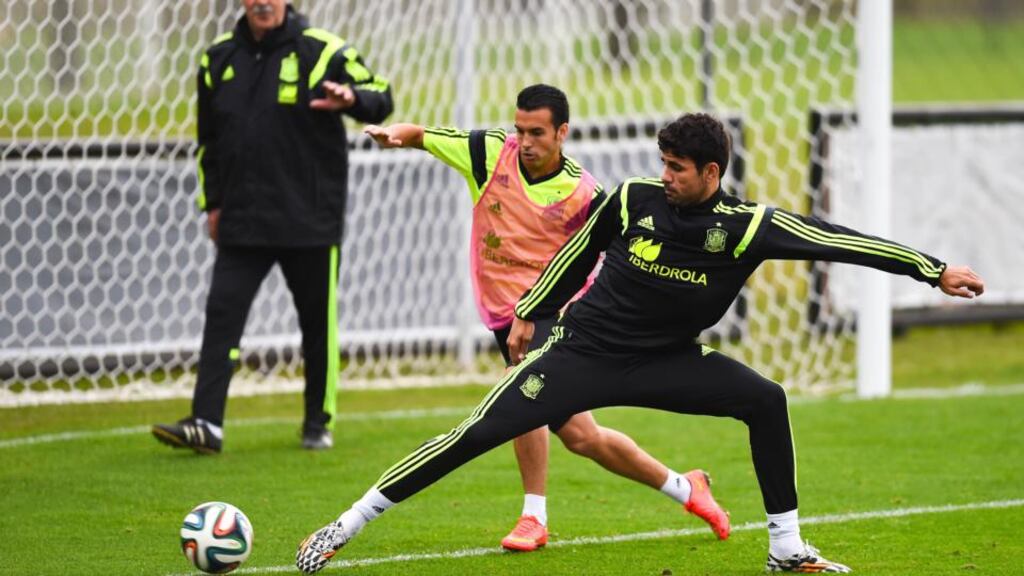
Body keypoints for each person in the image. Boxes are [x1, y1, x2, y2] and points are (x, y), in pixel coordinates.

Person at [295, 112, 985, 574]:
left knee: (765, 400)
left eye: (678, 168)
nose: (666, 175)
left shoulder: (746, 226)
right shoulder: (631, 199)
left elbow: (841, 240)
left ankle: (785, 548)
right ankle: (344, 527)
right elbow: (576, 252)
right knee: (478, 431)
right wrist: (533, 312)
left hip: (668, 363)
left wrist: (934, 270)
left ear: (712, 173)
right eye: (663, 163)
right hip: (582, 353)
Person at [363, 84, 729, 551]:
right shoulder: (490, 153)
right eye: (520, 130)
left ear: (563, 132)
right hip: (503, 316)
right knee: (583, 437)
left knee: (524, 392)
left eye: (537, 132)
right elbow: (422, 135)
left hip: (552, 316)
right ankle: (687, 487)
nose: (526, 141)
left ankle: (533, 517)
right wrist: (396, 134)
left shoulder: (584, 192)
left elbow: (615, 250)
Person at [151, 0, 393, 454]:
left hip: (310, 219)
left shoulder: (324, 50)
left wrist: (353, 100)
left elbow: (382, 96)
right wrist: (214, 204)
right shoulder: (216, 57)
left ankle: (317, 423)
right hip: (242, 217)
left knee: (317, 326)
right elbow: (208, 141)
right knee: (221, 315)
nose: (263, 2)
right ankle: (207, 423)